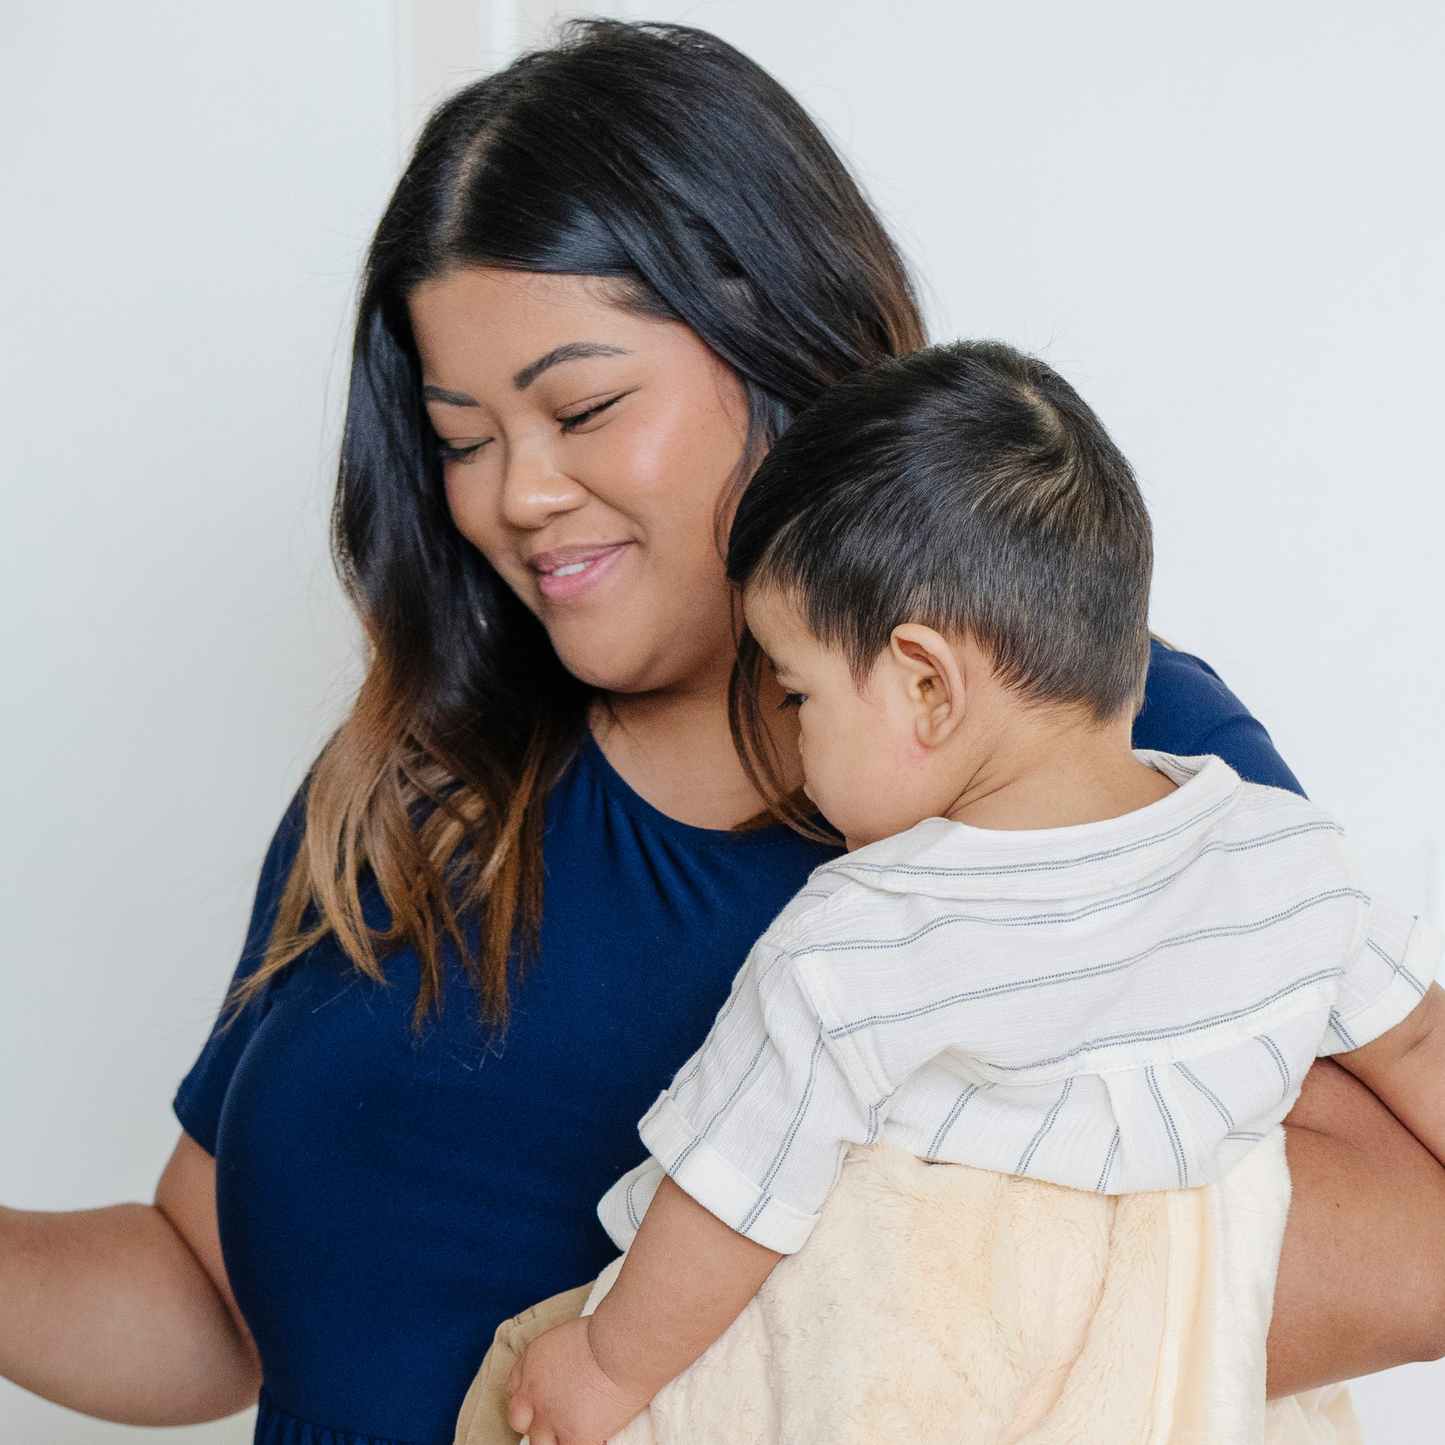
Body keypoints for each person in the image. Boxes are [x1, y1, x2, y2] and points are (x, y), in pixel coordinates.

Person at [0, 21, 1442, 1445]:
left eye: (582, 405)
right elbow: (214, 1295)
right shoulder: (421, 775)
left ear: (780, 344)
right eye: (460, 437)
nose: (516, 495)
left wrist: (668, 1328)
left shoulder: (1052, 738)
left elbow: (1411, 1243)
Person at [503, 340, 1445, 1443]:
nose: (790, 746)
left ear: (924, 684)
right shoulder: (1285, 857)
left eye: (797, 692)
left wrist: (605, 1368)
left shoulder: (861, 937)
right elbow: (1419, 1044)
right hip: (1220, 1397)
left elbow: (730, 1191)